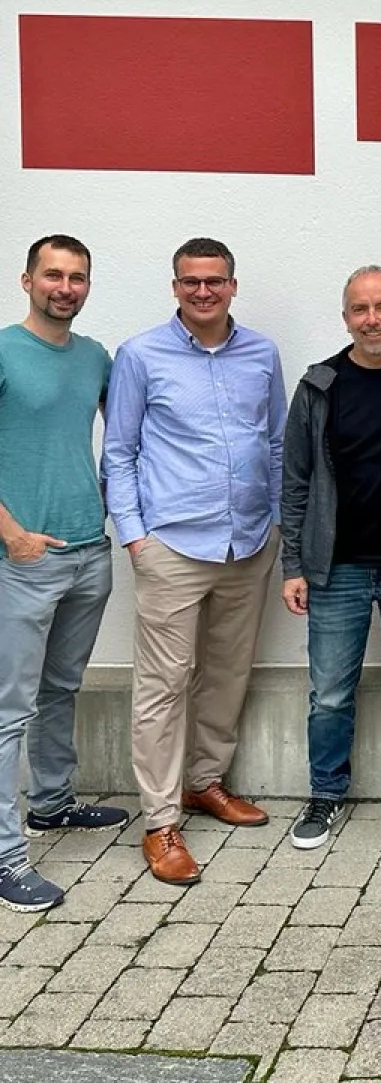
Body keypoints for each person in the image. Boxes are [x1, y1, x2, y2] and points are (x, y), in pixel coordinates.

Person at [103, 238, 286, 886]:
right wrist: (135, 537)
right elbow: (119, 451)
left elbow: (277, 442)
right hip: (173, 546)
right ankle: (159, 820)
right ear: (175, 287)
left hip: (248, 545)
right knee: (164, 683)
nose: (203, 291)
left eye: (214, 281)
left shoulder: (262, 354)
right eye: (190, 282)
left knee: (229, 671)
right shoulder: (140, 355)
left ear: (233, 285)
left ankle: (205, 782)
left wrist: (275, 522)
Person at [280, 266, 381, 850]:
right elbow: (295, 480)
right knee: (329, 690)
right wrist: (293, 564)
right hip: (337, 566)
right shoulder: (320, 386)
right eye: (360, 309)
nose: (372, 319)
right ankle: (325, 793)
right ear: (345, 316)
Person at [0, 236, 128, 913]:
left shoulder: (94, 357)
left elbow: (132, 432)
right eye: (54, 274)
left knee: (60, 690)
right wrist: (12, 533)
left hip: (88, 550)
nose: (66, 286)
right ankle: (5, 857)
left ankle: (51, 805)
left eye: (78, 276)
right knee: (8, 710)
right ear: (27, 280)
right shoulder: (2, 350)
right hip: (24, 560)